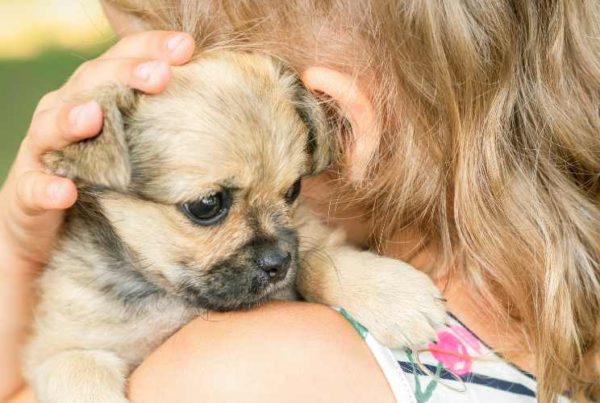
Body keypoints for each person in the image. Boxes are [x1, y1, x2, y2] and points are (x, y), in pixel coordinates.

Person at [1, 0, 598, 401]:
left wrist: (14, 252)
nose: (274, 253)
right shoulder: (554, 311)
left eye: (288, 192)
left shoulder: (242, 367)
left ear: (333, 123)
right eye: (211, 207)